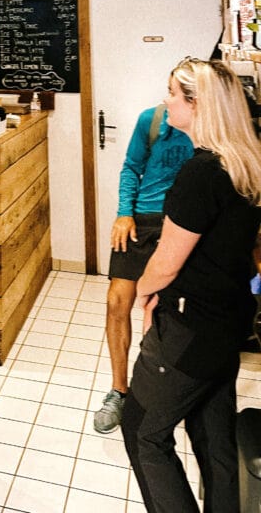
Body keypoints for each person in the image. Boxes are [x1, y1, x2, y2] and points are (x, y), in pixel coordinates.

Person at [121, 58, 261, 512]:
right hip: (229, 320)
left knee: (142, 431)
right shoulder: (244, 164)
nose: (165, 101)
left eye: (172, 93)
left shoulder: (200, 174)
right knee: (212, 434)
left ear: (196, 104)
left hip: (189, 327)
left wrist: (142, 292)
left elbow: (166, 263)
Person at [94, 102, 193, 433]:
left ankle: (160, 388)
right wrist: (124, 212)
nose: (169, 99)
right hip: (141, 219)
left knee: (166, 309)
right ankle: (119, 391)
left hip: (183, 221)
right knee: (116, 301)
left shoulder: (211, 124)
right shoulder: (151, 120)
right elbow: (131, 167)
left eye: (175, 92)